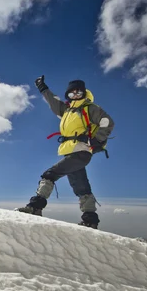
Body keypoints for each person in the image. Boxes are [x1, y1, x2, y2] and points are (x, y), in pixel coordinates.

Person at [16, 76, 114, 229]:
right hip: (71, 151)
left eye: (78, 93)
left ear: (84, 93)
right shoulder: (67, 111)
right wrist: (42, 88)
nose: (75, 96)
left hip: (81, 151)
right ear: (68, 95)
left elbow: (107, 122)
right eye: (71, 93)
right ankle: (90, 220)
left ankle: (35, 207)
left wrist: (95, 140)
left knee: (50, 174)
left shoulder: (89, 108)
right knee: (81, 186)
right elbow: (53, 101)